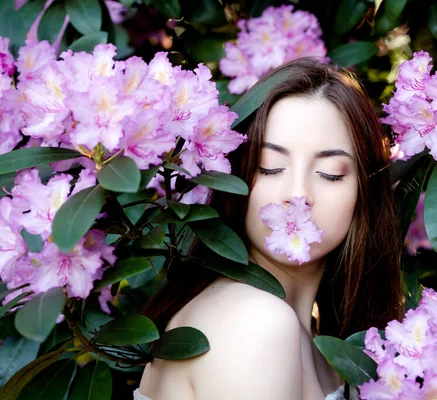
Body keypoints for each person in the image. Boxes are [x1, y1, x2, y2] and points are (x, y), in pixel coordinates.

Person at [136, 57, 403, 399]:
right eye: (270, 167)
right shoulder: (256, 323)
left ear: (364, 194)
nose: (298, 195)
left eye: (330, 173)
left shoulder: (314, 334)